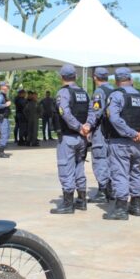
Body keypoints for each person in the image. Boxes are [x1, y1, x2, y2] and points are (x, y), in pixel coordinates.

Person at [102, 67, 140, 220]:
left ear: (117, 81)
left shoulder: (116, 95)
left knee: (120, 174)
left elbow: (114, 119)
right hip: (139, 142)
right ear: (130, 80)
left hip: (121, 141)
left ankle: (121, 209)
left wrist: (131, 133)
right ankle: (136, 205)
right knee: (136, 172)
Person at [50, 64, 95, 214]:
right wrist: (87, 126)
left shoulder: (63, 93)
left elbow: (65, 113)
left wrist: (78, 127)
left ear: (61, 77)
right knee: (79, 168)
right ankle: (81, 200)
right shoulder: (84, 92)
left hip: (69, 136)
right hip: (82, 138)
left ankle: (68, 204)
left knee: (66, 168)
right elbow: (91, 111)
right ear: (75, 77)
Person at [89, 67, 115, 203]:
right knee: (110, 159)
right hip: (112, 131)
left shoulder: (99, 91)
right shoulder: (113, 90)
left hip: (101, 130)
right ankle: (110, 188)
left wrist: (88, 126)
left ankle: (102, 190)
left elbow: (96, 111)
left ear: (95, 77)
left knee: (100, 158)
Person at [0, 82, 12, 157]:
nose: (7, 88)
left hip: (4, 117)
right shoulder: (1, 96)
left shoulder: (3, 95)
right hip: (2, 118)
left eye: (7, 86)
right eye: (6, 86)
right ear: (2, 87)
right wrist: (6, 105)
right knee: (4, 134)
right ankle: (0, 152)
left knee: (7, 134)